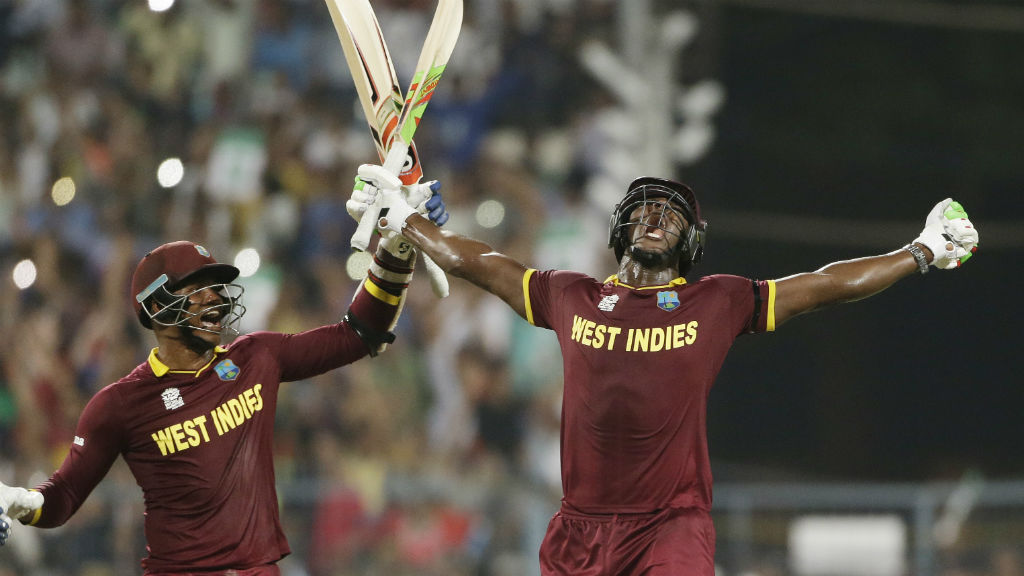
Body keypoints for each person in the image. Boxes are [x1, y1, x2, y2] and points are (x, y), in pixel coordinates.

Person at [345, 164, 978, 575]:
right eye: (646, 209)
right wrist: (408, 221)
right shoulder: (570, 293)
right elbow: (477, 261)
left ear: (689, 242)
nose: (657, 217)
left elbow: (823, 285)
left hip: (669, 526)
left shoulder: (719, 300)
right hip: (578, 529)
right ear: (621, 227)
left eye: (672, 215)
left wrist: (918, 252)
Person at [0, 184, 449, 575]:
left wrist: (396, 251)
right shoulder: (120, 404)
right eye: (199, 288)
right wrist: (19, 500)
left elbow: (358, 334)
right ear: (156, 307)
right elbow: (63, 498)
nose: (215, 299)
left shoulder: (257, 356)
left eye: (217, 287)